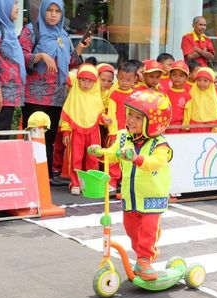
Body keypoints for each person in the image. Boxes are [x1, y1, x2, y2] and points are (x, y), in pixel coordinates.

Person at [89, 90, 173, 281]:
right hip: (130, 194)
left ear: (153, 122)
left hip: (152, 196)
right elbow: (113, 153)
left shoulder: (160, 144)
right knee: (131, 228)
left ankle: (145, 259)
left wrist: (136, 158)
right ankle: (141, 257)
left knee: (148, 230)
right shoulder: (123, 137)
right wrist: (100, 152)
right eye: (129, 115)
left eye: (137, 117)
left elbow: (155, 162)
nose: (131, 120)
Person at [19, 0, 89, 178]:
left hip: (56, 95)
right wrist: (41, 55)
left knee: (49, 140)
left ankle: (45, 179)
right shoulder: (31, 30)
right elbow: (20, 56)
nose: (53, 14)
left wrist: (80, 47)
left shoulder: (63, 35)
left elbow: (69, 62)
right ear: (42, 11)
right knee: (33, 138)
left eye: (57, 11)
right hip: (34, 96)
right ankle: (29, 178)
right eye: (49, 10)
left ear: (62, 14)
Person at [59, 64, 106, 195]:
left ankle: (90, 182)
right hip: (76, 131)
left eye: (90, 81)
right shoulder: (73, 96)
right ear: (78, 80)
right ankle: (75, 183)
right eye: (83, 80)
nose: (86, 84)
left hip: (93, 131)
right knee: (76, 158)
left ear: (95, 82)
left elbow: (98, 114)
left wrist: (104, 119)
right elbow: (67, 116)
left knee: (93, 157)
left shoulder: (96, 96)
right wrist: (66, 132)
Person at [106, 61, 137, 190]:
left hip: (131, 133)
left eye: (128, 80)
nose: (124, 82)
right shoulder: (114, 94)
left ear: (135, 79)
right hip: (118, 132)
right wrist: (113, 132)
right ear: (117, 77)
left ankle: (126, 181)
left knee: (129, 156)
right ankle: (112, 182)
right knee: (114, 156)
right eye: (121, 79)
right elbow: (111, 114)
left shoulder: (136, 95)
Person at [0, 0, 26, 139]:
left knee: (4, 136)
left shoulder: (7, 28)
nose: (17, 7)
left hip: (8, 95)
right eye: (14, 3)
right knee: (1, 137)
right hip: (1, 95)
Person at [183, 67, 217, 133]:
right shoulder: (193, 93)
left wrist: (215, 128)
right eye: (199, 80)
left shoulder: (213, 96)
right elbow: (188, 108)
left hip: (209, 127)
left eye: (205, 81)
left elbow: (216, 111)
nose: (201, 83)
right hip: (195, 125)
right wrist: (186, 124)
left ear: (211, 82)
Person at [166, 60, 191, 133]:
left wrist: (184, 130)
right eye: (174, 75)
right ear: (170, 76)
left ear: (186, 78)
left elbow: (187, 116)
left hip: (179, 129)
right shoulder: (165, 93)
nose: (177, 78)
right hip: (164, 127)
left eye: (181, 75)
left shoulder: (187, 96)